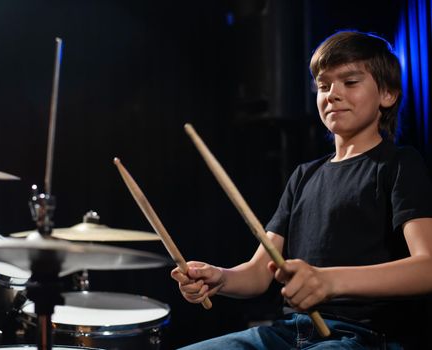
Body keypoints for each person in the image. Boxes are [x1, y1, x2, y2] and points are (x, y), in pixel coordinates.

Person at [171, 30, 432, 349]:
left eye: (350, 82)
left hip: (362, 336)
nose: (332, 94)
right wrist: (220, 278)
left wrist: (328, 281)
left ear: (388, 94)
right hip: (289, 332)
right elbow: (259, 273)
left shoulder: (400, 164)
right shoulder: (304, 176)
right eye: (324, 86)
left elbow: (428, 268)